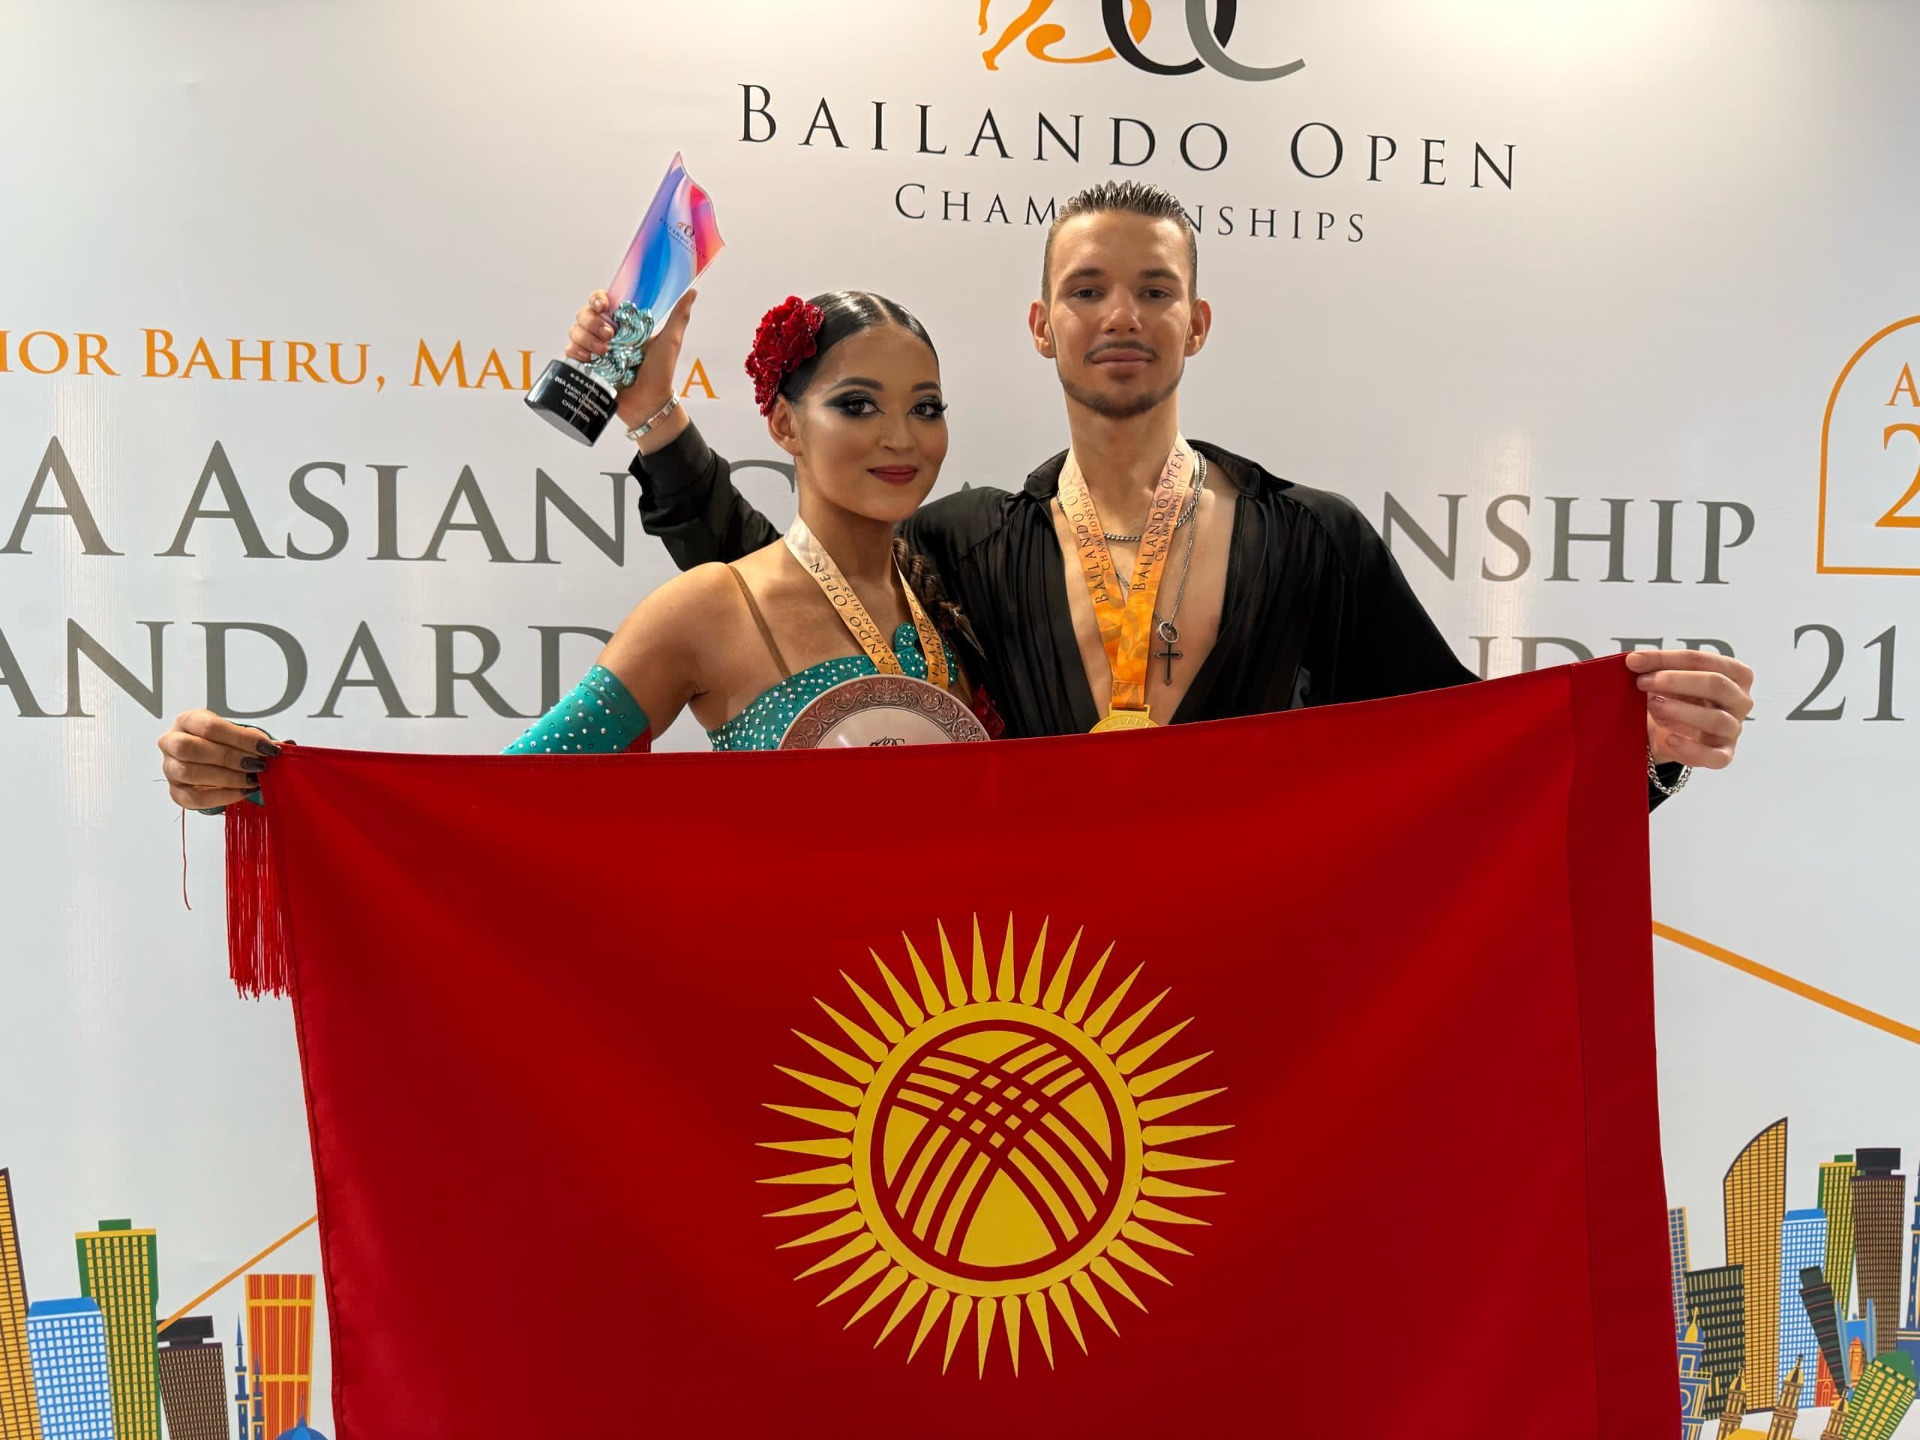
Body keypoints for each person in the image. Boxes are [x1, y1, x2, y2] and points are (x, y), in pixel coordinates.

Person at [626, 180, 1754, 798]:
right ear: (1042, 325)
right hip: (1036, 998)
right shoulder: (962, 544)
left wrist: (1636, 747)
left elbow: (1467, 749)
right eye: (1087, 290)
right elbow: (795, 596)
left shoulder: (1314, 538)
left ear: (1197, 322)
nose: (1121, 315)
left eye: (1155, 290)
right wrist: (659, 422)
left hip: (1258, 1001)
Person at [157, 290, 995, 810]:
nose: (901, 437)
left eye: (926, 407)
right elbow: (509, 796)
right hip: (796, 1010)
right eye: (857, 405)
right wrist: (268, 784)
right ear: (784, 424)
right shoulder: (709, 608)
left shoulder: (956, 597)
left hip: (958, 1007)